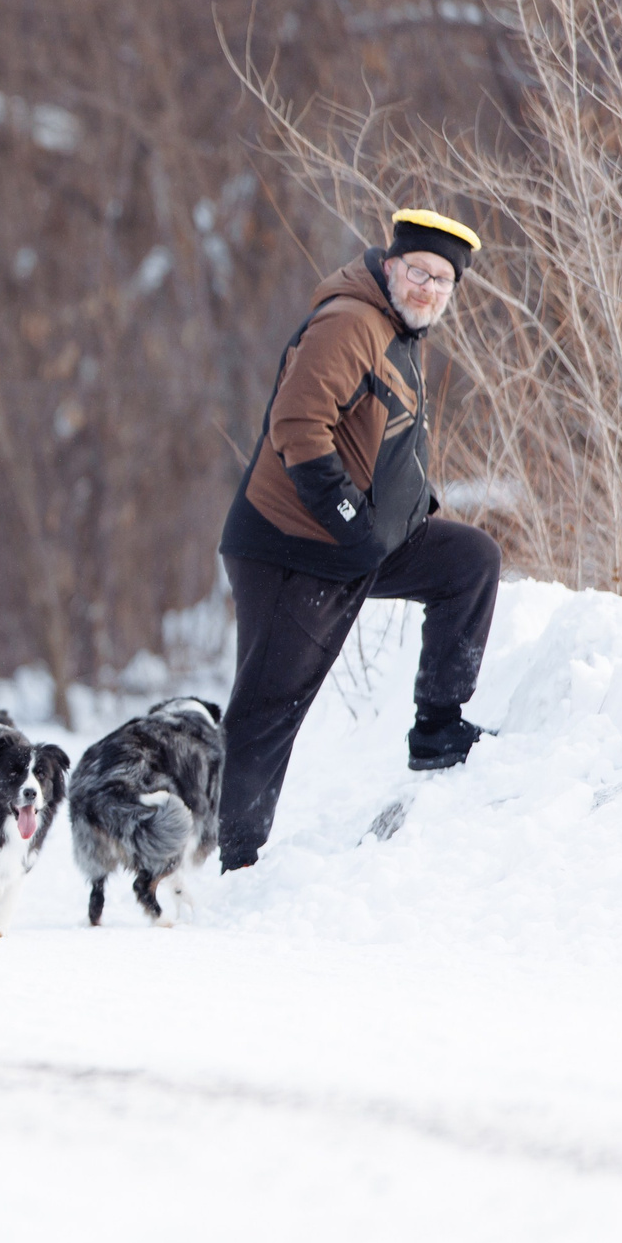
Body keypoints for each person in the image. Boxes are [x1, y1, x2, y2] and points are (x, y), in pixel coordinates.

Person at [214, 208, 501, 871]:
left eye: (443, 281)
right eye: (419, 272)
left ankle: (438, 730)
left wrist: (404, 516)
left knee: (469, 563)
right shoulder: (351, 322)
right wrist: (350, 521)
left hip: (359, 543)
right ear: (391, 266)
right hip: (291, 546)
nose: (429, 289)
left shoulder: (399, 329)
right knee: (269, 708)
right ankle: (231, 859)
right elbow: (297, 425)